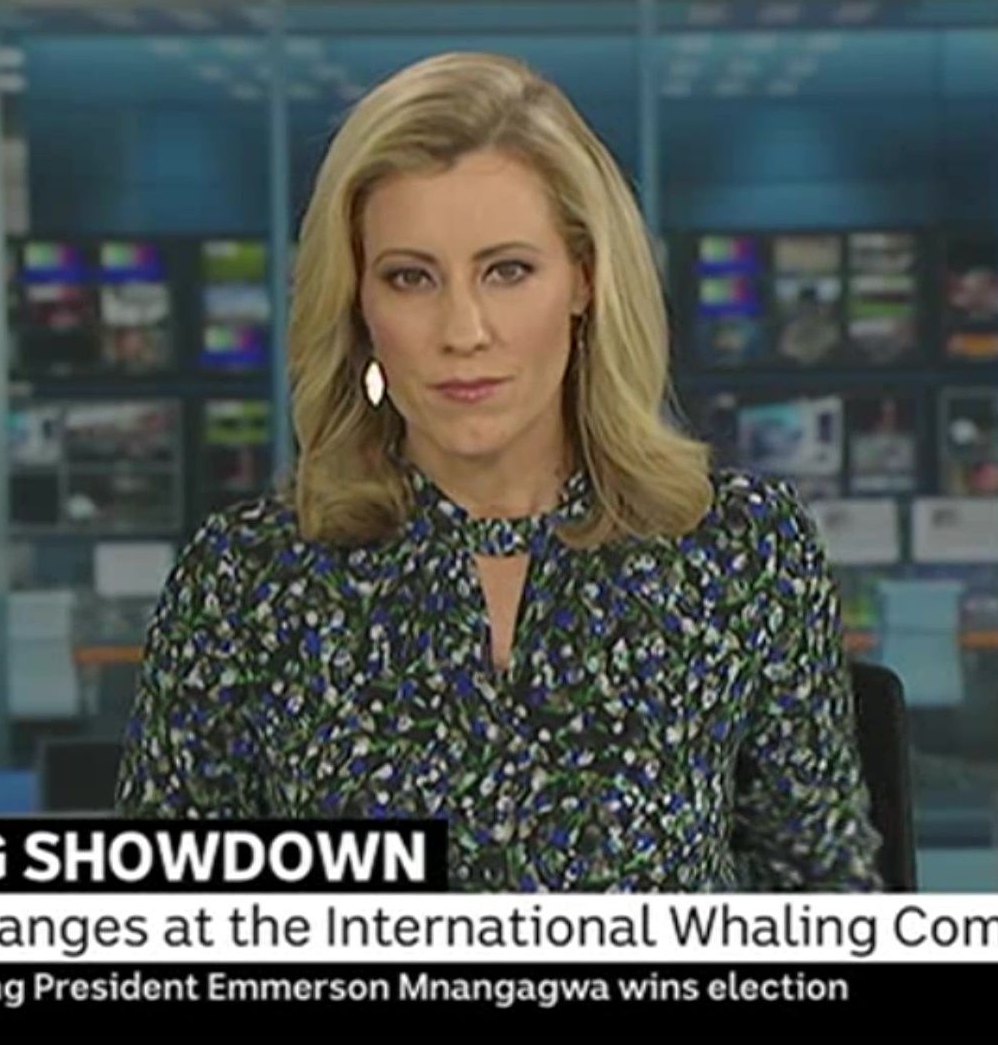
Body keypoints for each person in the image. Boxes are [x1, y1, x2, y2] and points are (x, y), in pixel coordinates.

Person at [116, 51, 883, 893]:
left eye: (507, 271)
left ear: (584, 280)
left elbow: (822, 892)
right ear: (359, 304)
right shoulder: (247, 579)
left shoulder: (741, 550)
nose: (463, 330)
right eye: (411, 278)